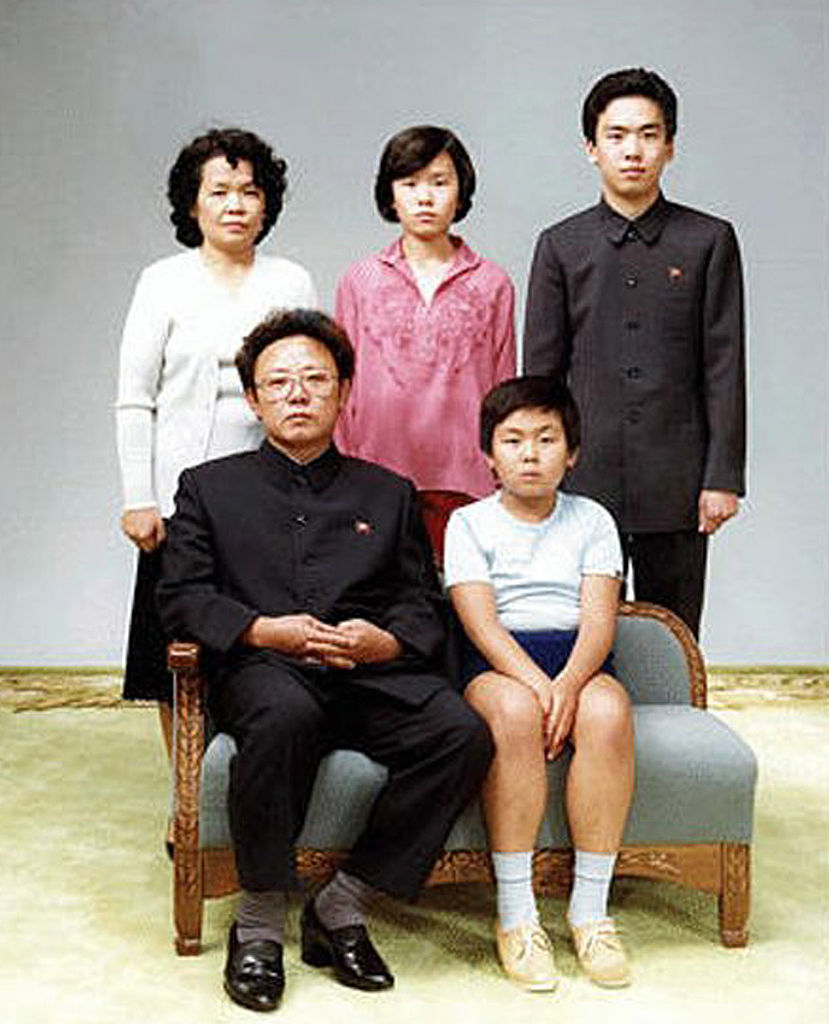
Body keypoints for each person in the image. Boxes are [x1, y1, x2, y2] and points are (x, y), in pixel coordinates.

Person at [156, 308, 493, 1012]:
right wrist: (262, 631)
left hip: (368, 670)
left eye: (315, 379)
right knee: (283, 714)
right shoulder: (207, 487)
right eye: (278, 382)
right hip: (264, 669)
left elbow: (419, 600)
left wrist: (387, 642)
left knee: (459, 734)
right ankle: (257, 925)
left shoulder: (387, 491)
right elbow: (182, 598)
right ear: (254, 400)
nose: (298, 394)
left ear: (344, 393)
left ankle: (343, 902)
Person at [115, 128, 316, 811]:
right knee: (174, 656)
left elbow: (312, 386)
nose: (235, 205)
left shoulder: (291, 281)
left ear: (267, 204)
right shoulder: (162, 282)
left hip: (273, 499)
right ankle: (192, 803)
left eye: (249, 192)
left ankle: (261, 793)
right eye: (219, 191)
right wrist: (138, 497)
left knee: (263, 648)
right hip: (180, 503)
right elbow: (135, 398)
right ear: (192, 203)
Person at [523, 68, 746, 637]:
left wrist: (722, 476)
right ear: (590, 148)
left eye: (649, 135)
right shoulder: (561, 245)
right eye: (617, 135)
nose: (633, 151)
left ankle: (675, 705)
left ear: (670, 147)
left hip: (678, 479)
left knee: (674, 635)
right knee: (580, 631)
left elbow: (724, 366)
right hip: (582, 479)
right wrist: (540, 470)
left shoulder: (708, 240)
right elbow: (541, 378)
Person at [444, 376, 634, 991]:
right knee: (516, 714)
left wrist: (570, 684)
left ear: (572, 453)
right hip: (499, 662)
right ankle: (518, 916)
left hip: (578, 658)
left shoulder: (593, 520)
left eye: (547, 439)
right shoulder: (468, 523)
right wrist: (537, 685)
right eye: (513, 440)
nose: (530, 454)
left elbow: (599, 621)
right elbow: (480, 624)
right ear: (489, 454)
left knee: (607, 713)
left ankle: (590, 913)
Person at [334, 124, 516, 496]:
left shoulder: (492, 283)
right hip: (374, 475)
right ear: (390, 195)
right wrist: (345, 469)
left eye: (439, 182)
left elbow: (504, 388)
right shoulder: (359, 280)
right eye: (410, 184)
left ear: (461, 192)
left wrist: (501, 471)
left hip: (469, 480)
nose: (425, 198)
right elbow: (341, 386)